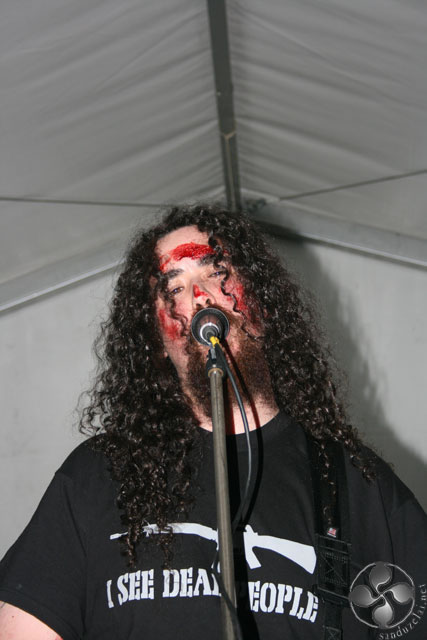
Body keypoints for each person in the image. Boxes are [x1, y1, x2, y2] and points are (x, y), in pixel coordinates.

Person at [0, 204, 426, 639]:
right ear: (156, 340)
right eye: (175, 288)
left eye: (216, 272)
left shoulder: (355, 483)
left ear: (262, 302)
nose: (201, 296)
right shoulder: (98, 474)